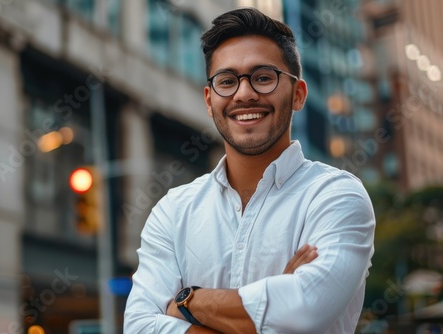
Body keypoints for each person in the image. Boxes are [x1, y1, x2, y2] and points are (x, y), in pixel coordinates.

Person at [124, 7, 375, 334]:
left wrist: (187, 303)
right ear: (209, 99)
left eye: (263, 78)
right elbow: (139, 327)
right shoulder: (173, 212)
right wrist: (273, 304)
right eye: (226, 81)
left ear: (298, 94)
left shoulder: (336, 196)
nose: (244, 94)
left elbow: (306, 310)